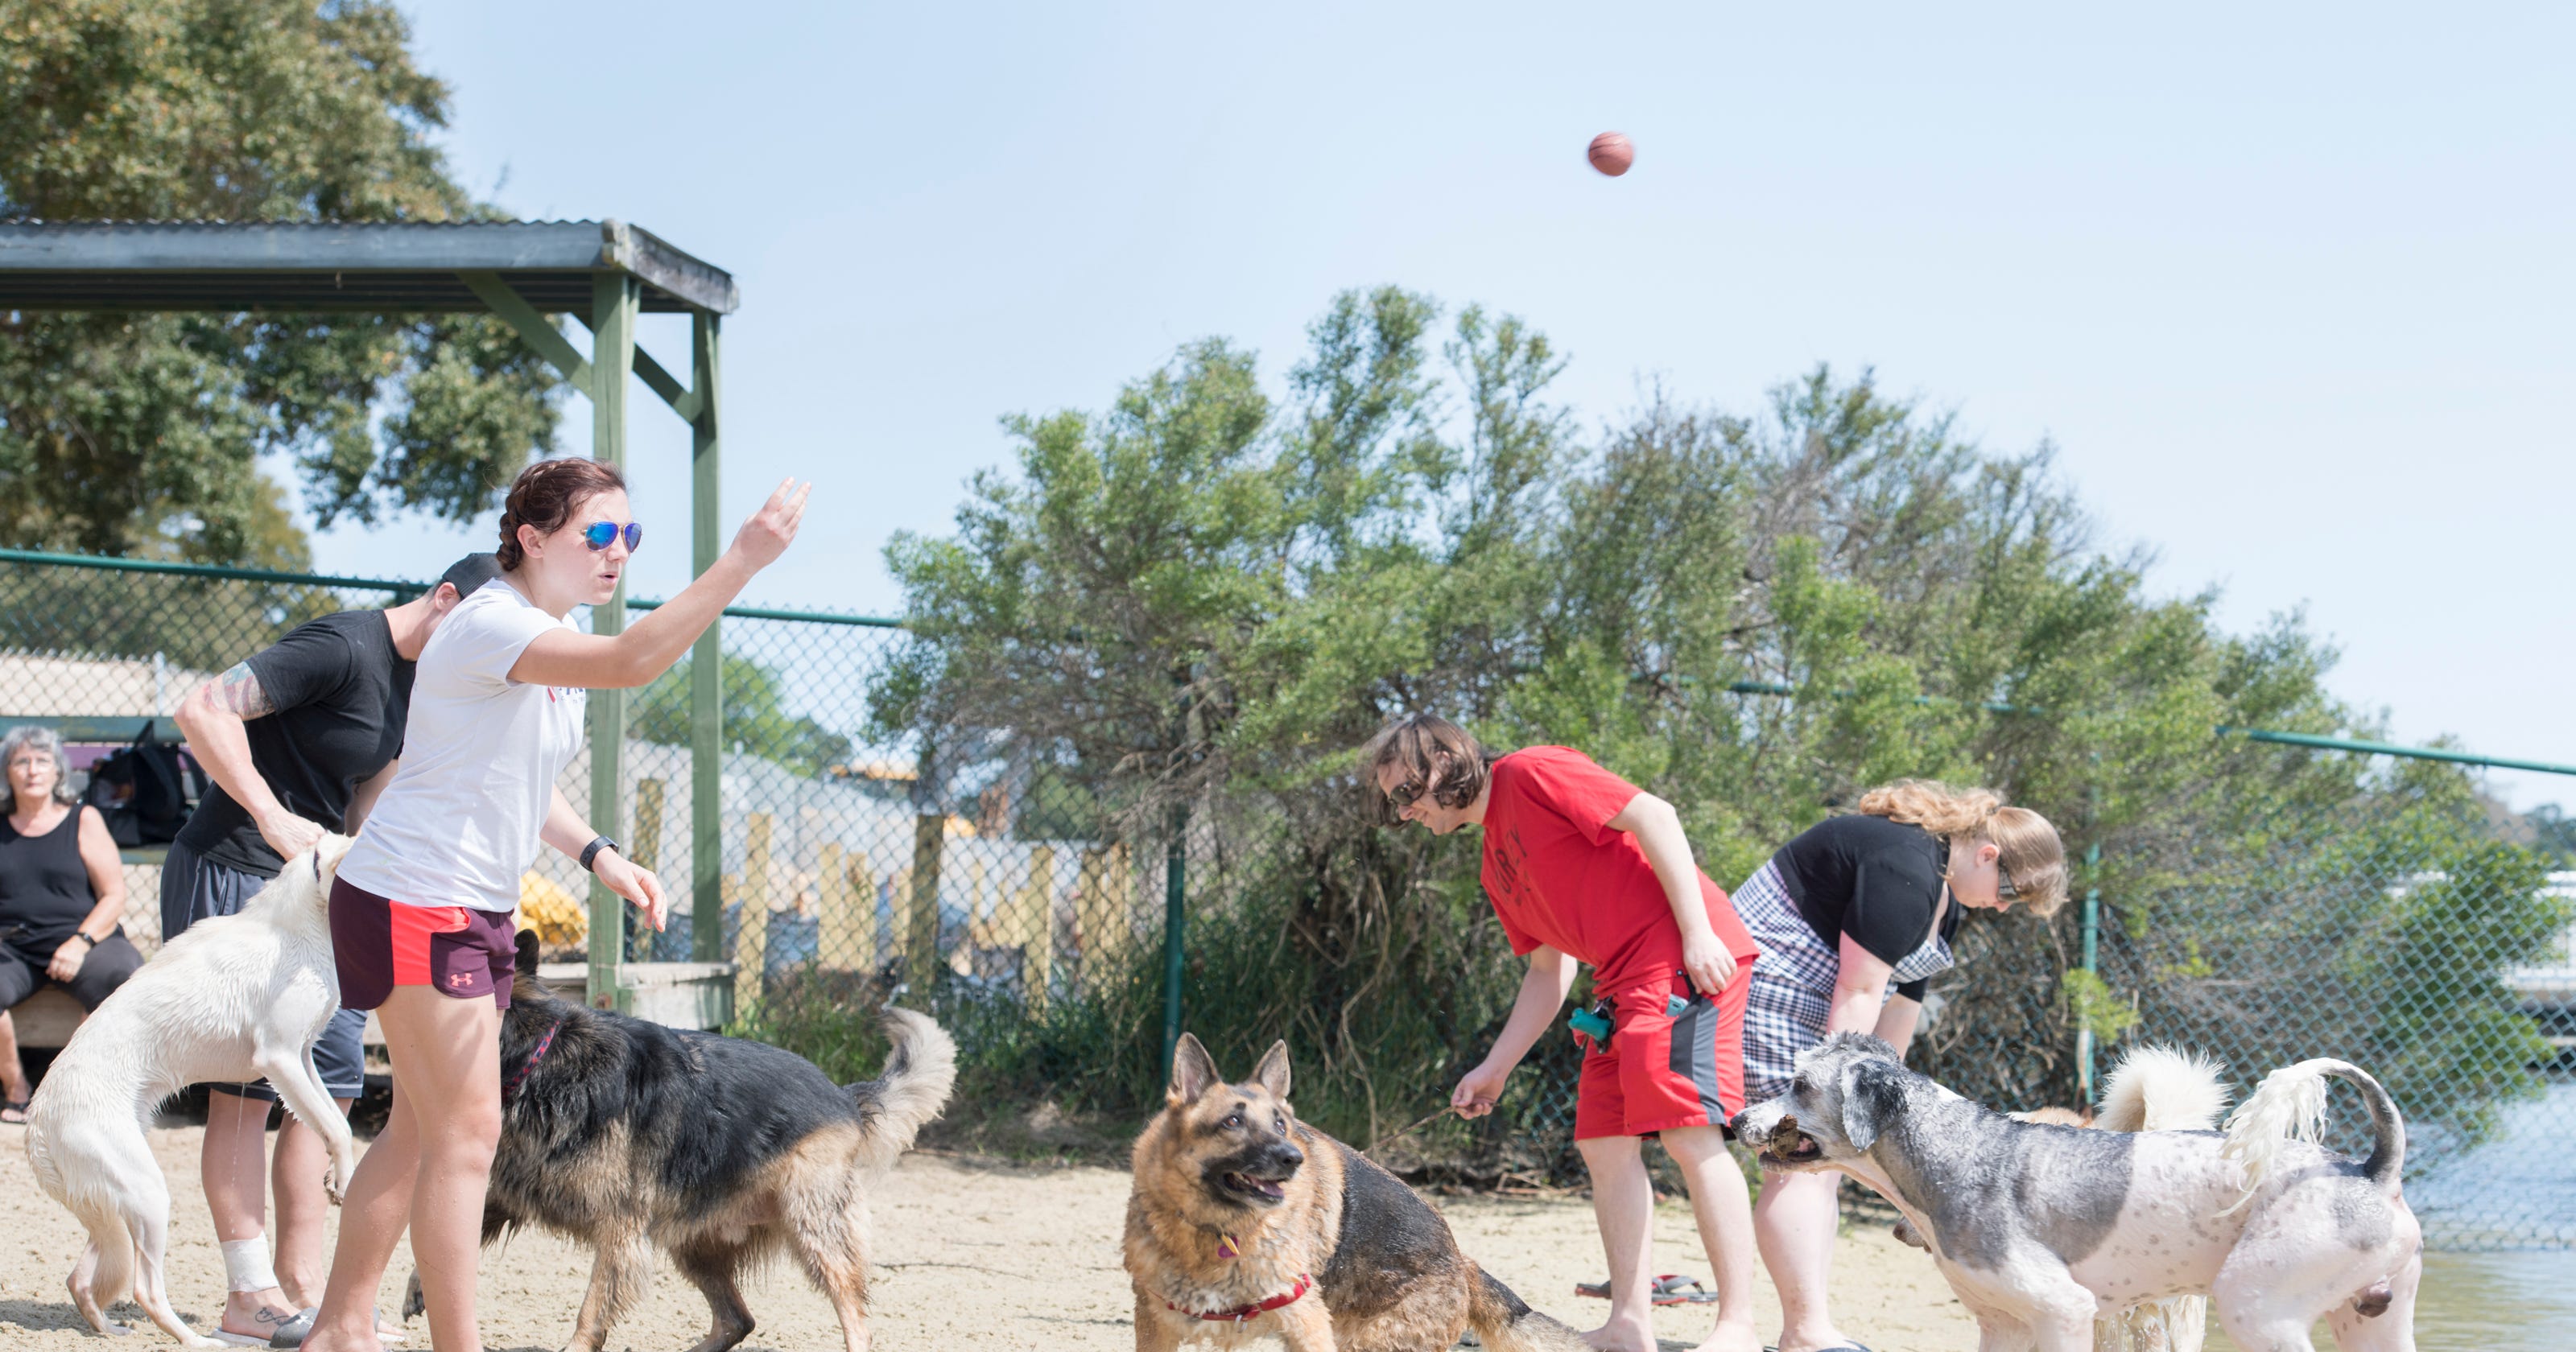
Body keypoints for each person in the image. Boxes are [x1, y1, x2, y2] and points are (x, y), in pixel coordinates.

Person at [291, 456, 808, 1352]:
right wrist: (741, 563)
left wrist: (598, 853)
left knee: (420, 1130)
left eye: (628, 536)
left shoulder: (541, 634)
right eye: (596, 535)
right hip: (420, 897)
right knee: (467, 1137)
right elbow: (636, 659)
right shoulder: (492, 621)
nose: (617, 553)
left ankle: (341, 1328)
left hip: (457, 902)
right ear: (531, 540)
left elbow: (521, 781)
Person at [164, 552, 500, 1346]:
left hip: (326, 893)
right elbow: (202, 708)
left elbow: (372, 799)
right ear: (444, 596)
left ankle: (309, 1290)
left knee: (333, 1084)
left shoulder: (427, 684)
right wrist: (272, 819)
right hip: (235, 869)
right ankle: (249, 1295)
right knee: (245, 1087)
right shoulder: (343, 647)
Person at [1370, 713, 1765, 1352]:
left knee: (1689, 1134)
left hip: (1677, 955)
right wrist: (1495, 1068)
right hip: (1615, 983)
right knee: (1604, 1146)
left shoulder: (1531, 772)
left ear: (1442, 762)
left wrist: (1697, 932)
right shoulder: (1493, 865)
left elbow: (1655, 816)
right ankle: (1630, 1324)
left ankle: (1738, 1327)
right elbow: (1549, 971)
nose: (1403, 811)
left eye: (1404, 793)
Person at [1732, 780, 2066, 1352]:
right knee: (1802, 1158)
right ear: (1987, 854)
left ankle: (1805, 1329)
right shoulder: (1905, 867)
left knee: (1829, 1166)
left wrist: (1883, 1110)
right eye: (2009, 889)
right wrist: (1842, 1105)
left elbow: (1901, 1008)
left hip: (1816, 1006)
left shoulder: (1943, 895)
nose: (2004, 905)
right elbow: (1859, 990)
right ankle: (1806, 1333)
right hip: (1764, 992)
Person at [0, 724, 141, 1125]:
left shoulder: (84, 819)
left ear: (58, 771)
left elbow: (114, 896)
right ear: (6, 771)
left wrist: (80, 941)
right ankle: (17, 1090)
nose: (32, 770)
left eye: (42, 761)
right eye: (21, 761)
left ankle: (70, 1092)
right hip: (14, 946)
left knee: (119, 974)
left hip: (85, 939)